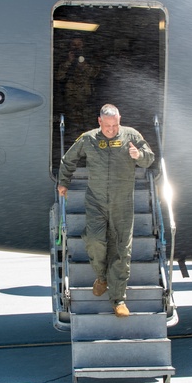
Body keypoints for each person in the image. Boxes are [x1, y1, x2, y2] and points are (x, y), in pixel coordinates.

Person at [57, 104, 154, 317]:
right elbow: (69, 159)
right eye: (107, 125)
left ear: (120, 120)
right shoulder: (88, 139)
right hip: (96, 201)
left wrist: (138, 155)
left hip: (122, 203)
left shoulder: (131, 135)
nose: (111, 129)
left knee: (121, 250)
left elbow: (150, 158)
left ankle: (118, 300)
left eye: (115, 125)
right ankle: (101, 277)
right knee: (94, 240)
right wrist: (63, 181)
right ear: (99, 121)